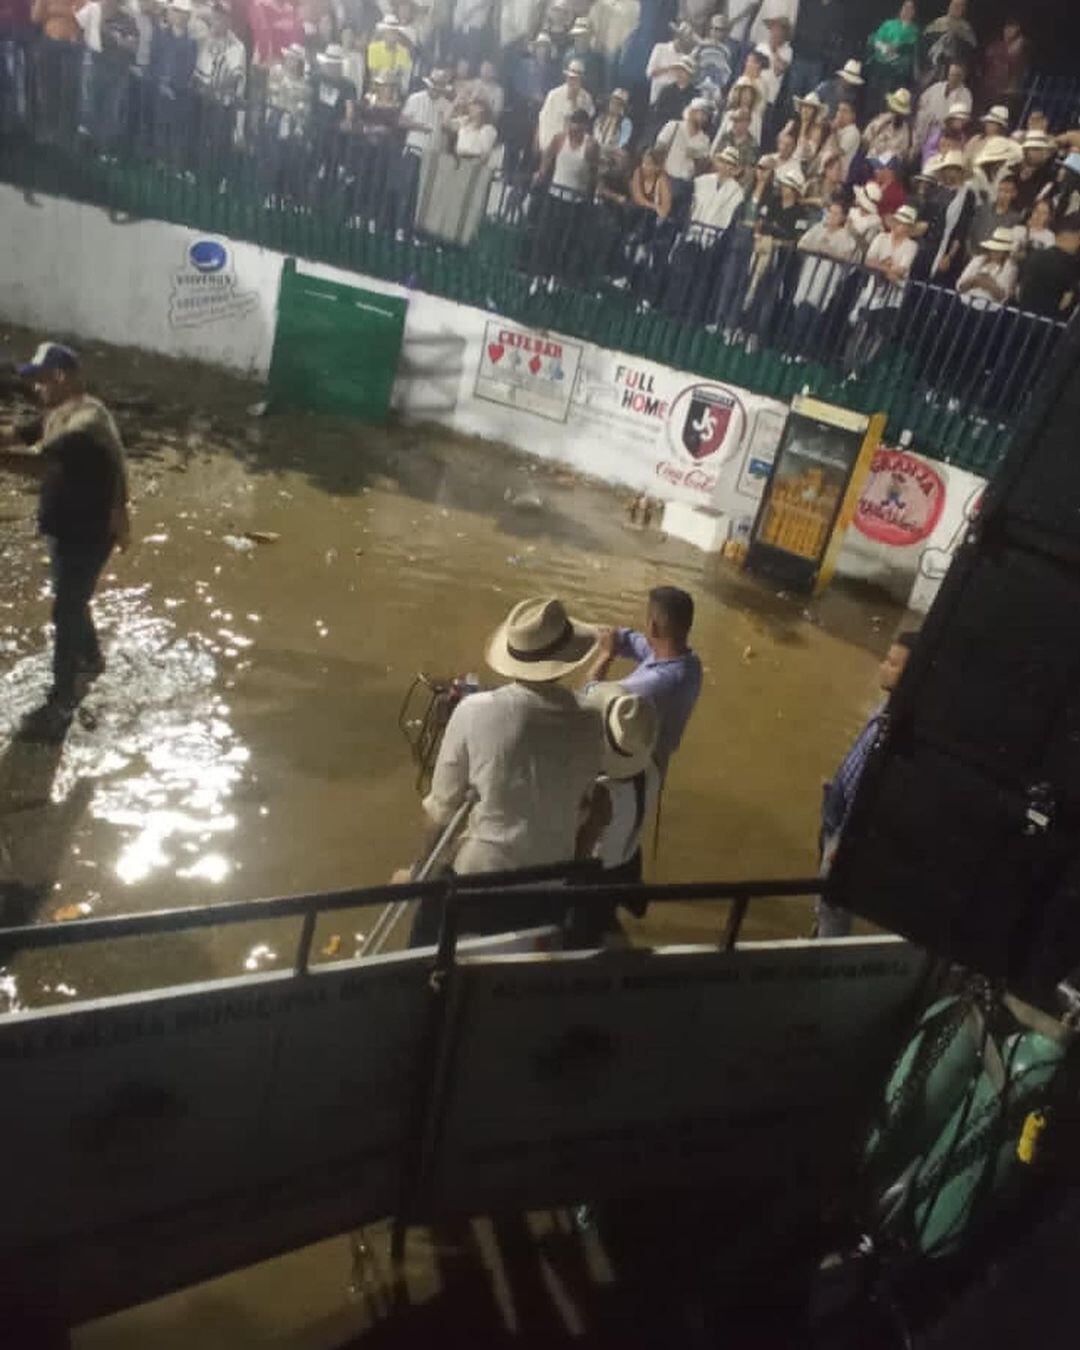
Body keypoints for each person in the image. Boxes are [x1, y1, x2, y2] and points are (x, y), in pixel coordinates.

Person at [401, 597, 604, 943]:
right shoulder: (592, 719)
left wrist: (417, 874)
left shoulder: (473, 710)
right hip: (549, 884)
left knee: (422, 939)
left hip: (479, 882)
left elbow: (442, 811)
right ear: (566, 659)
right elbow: (585, 805)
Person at [0, 344, 130, 739]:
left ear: (60, 376)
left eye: (40, 380)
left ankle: (61, 701)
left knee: (66, 610)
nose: (36, 389)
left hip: (87, 535)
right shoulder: (63, 412)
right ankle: (90, 658)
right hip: (65, 530)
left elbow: (38, 463)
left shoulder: (84, 426)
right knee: (70, 598)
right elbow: (16, 435)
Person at [816, 632, 917, 938]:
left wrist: (846, 842)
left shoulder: (904, 727)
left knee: (832, 904)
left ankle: (824, 953)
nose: (883, 667)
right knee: (823, 901)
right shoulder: (886, 708)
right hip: (837, 812)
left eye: (893, 664)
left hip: (849, 831)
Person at [568, 684, 660, 945]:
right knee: (606, 915)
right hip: (628, 857)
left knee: (585, 930)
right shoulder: (651, 772)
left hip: (599, 872)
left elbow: (582, 852)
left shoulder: (601, 793)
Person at [586, 587, 702, 779]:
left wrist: (605, 655)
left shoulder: (653, 684)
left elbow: (590, 697)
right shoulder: (690, 663)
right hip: (655, 764)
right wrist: (612, 636)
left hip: (628, 768)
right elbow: (634, 642)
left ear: (653, 627)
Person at [655, 97, 710, 225]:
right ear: (691, 111)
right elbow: (658, 150)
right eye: (700, 112)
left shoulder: (704, 140)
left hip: (685, 184)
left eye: (705, 115)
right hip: (665, 177)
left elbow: (702, 167)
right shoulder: (673, 126)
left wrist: (697, 158)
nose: (702, 117)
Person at [1017, 214, 1080, 319]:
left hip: (1020, 317)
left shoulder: (1035, 255)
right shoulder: (1073, 267)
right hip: (1049, 323)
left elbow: (1019, 289)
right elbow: (1066, 303)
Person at [536, 54, 594, 154]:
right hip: (550, 145)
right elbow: (543, 118)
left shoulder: (586, 98)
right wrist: (538, 139)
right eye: (570, 78)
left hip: (572, 150)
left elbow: (584, 122)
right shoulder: (554, 94)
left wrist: (574, 101)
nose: (572, 81)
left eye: (576, 79)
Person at [864, 0, 918, 107]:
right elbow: (876, 39)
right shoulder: (888, 24)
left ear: (914, 12)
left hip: (898, 73)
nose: (907, 10)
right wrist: (885, 48)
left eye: (910, 8)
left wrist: (897, 49)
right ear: (901, 9)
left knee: (889, 101)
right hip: (880, 66)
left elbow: (911, 48)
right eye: (905, 7)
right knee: (873, 98)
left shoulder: (915, 30)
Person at [913, 60, 971, 153]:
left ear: (962, 77)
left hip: (949, 135)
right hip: (928, 130)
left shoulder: (965, 94)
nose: (953, 77)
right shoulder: (937, 87)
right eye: (952, 74)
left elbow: (963, 117)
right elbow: (922, 102)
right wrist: (926, 116)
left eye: (957, 75)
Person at [956, 227, 1019, 307]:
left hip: (988, 309)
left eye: (1000, 250)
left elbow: (1002, 296)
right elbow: (960, 286)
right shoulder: (978, 259)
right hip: (964, 303)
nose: (995, 252)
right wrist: (977, 281)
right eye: (994, 248)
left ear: (1006, 252)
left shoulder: (1010, 267)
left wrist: (981, 282)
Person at [921, 0, 976, 85]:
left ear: (963, 9)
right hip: (934, 68)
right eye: (954, 5)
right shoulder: (937, 23)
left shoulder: (966, 29)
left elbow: (970, 52)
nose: (956, 8)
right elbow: (925, 44)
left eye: (960, 6)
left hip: (954, 70)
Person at [646, 19, 697, 106]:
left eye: (686, 40)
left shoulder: (685, 57)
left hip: (674, 99)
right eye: (682, 38)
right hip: (656, 97)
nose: (684, 42)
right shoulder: (660, 48)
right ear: (676, 37)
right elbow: (650, 73)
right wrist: (671, 67)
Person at [983, 19, 1029, 113]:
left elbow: (1021, 70)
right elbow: (987, 61)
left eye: (1012, 28)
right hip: (990, 89)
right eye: (1007, 27)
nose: (1008, 31)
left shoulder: (1022, 49)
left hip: (1008, 92)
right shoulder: (995, 46)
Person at [968, 173, 1020, 252]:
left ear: (1014, 194)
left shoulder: (1015, 218)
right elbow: (969, 235)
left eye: (1007, 192)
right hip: (973, 253)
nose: (1002, 195)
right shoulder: (982, 209)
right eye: (1000, 190)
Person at [862, 88, 912, 164]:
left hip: (887, 166)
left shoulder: (905, 132)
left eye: (899, 113)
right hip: (869, 160)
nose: (896, 114)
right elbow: (866, 138)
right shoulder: (881, 119)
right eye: (895, 110)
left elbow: (901, 155)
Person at [1013, 130, 1057, 214]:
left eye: (1037, 149)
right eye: (1030, 149)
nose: (1032, 153)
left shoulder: (1049, 177)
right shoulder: (1014, 169)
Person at [712, 104, 759, 171]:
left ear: (747, 123)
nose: (734, 124)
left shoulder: (753, 144)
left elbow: (749, 167)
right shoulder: (725, 137)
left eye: (738, 121)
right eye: (733, 121)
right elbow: (715, 157)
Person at [593, 85, 631, 154]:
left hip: (612, 154)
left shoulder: (626, 123)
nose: (613, 105)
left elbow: (622, 143)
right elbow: (595, 134)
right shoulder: (600, 118)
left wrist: (610, 149)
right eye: (612, 102)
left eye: (617, 104)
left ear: (622, 107)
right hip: (596, 152)